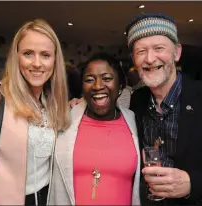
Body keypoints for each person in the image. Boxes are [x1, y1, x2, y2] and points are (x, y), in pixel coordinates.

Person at [126, 13, 202, 205]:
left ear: (177, 52)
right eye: (141, 51)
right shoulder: (137, 100)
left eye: (159, 48)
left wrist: (193, 184)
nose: (150, 59)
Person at [0, 19, 70, 205]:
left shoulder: (54, 105)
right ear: (16, 56)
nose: (37, 63)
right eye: (28, 53)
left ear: (55, 60)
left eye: (45, 55)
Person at [49, 53, 141, 205]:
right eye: (89, 80)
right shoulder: (64, 119)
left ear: (120, 86)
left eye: (107, 78)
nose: (98, 86)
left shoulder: (134, 121)